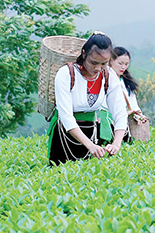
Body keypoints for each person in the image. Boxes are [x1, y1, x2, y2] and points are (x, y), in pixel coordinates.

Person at [47, 32, 128, 165]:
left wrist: (116, 144)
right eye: (94, 63)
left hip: (91, 131)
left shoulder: (109, 76)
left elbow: (120, 113)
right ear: (84, 53)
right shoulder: (66, 74)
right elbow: (66, 117)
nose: (98, 68)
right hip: (64, 134)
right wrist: (89, 145)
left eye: (104, 64)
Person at [109, 46, 148, 141]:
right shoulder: (106, 80)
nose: (123, 67)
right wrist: (125, 113)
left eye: (126, 64)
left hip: (127, 126)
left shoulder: (126, 82)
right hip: (111, 125)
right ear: (111, 61)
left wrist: (138, 115)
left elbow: (132, 103)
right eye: (120, 63)